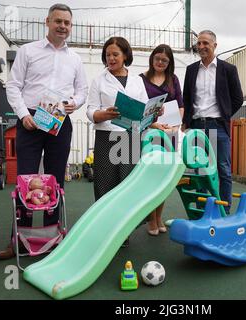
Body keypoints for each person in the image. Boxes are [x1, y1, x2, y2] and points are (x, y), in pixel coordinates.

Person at [0, 3, 88, 260]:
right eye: (58, 21)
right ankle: (18, 241)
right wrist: (24, 115)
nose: (63, 26)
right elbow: (12, 86)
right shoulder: (27, 51)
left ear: (71, 26)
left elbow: (82, 91)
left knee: (55, 182)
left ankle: (52, 238)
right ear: (47, 22)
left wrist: (75, 103)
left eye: (67, 23)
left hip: (60, 121)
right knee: (25, 181)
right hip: (32, 120)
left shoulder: (75, 59)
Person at [86, 37, 149, 247]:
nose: (111, 58)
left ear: (125, 56)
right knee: (106, 184)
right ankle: (105, 230)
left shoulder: (137, 80)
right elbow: (90, 109)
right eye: (108, 55)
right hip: (107, 136)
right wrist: (102, 114)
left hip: (131, 136)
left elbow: (144, 108)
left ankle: (124, 232)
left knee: (128, 184)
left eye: (115, 54)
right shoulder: (99, 80)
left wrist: (154, 112)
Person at [182, 30, 243, 214]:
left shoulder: (228, 69)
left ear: (215, 45)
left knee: (223, 169)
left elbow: (238, 98)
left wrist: (224, 114)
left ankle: (225, 209)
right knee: (200, 170)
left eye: (205, 43)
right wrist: (186, 123)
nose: (201, 47)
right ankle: (203, 210)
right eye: (199, 43)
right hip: (197, 126)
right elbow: (186, 99)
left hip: (218, 126)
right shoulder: (191, 70)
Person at [140, 44, 184, 236]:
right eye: (157, 58)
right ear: (152, 58)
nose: (160, 62)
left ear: (169, 62)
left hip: (170, 133)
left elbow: (181, 105)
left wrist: (176, 126)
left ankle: (159, 217)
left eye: (164, 60)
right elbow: (139, 108)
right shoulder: (141, 79)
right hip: (149, 133)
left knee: (164, 177)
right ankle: (151, 219)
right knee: (151, 177)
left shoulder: (173, 79)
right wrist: (152, 125)